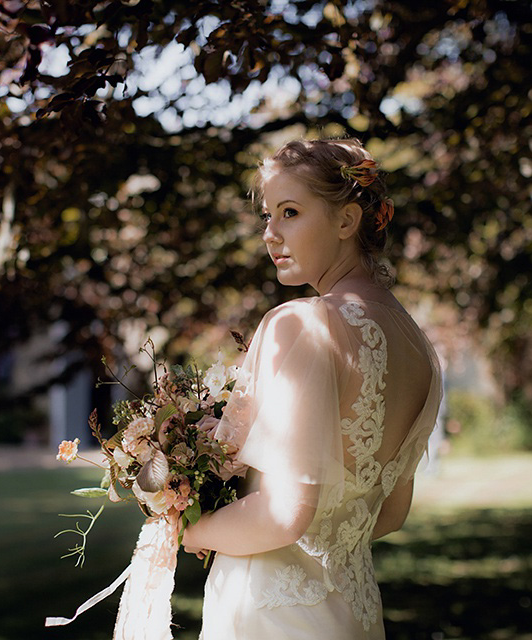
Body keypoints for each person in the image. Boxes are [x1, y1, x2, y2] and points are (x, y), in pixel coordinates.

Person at [181, 138, 444, 639]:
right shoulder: (417, 347)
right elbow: (390, 512)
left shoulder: (302, 325)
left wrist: (187, 527)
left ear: (347, 221)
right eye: (267, 216)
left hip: (272, 617)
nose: (270, 234)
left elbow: (284, 514)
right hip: (354, 613)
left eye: (290, 212)